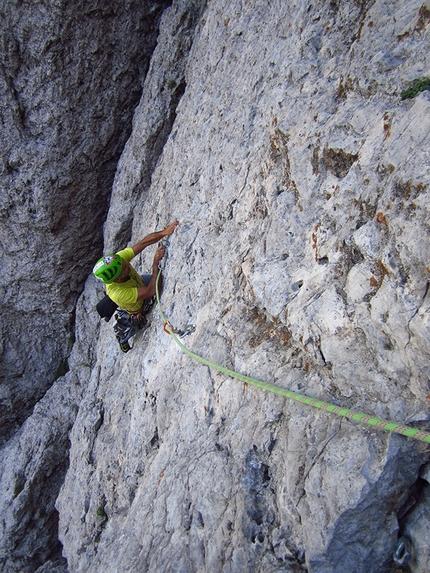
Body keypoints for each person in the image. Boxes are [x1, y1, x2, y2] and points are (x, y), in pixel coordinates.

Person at [93, 220, 179, 351]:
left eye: (124, 262)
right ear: (116, 279)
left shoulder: (118, 260)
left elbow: (143, 243)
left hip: (137, 283)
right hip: (137, 305)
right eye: (124, 267)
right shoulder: (118, 293)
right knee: (139, 321)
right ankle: (121, 335)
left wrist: (165, 232)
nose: (127, 263)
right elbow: (151, 290)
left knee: (155, 279)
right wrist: (155, 263)